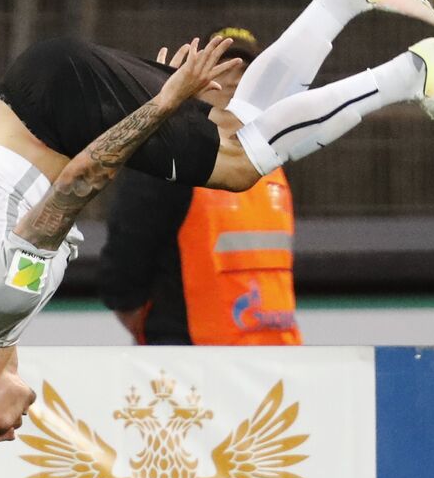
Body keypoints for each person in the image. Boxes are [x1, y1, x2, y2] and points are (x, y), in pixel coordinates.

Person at [0, 0, 434, 463]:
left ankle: (412, 73)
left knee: (236, 166)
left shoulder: (0, 307)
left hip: (58, 104)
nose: (13, 433)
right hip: (49, 97)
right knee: (239, 124)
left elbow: (78, 182)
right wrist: (164, 101)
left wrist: (164, 101)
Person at [100, 28, 302, 347]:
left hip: (274, 351)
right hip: (195, 357)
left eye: (246, 68)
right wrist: (161, 326)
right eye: (223, 66)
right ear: (195, 80)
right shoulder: (168, 158)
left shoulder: (273, 158)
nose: (236, 78)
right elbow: (127, 253)